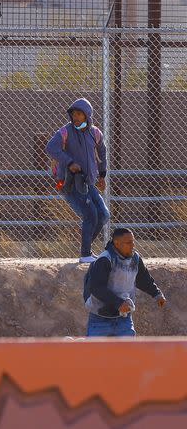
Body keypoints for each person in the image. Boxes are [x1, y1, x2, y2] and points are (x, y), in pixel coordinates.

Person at [45, 98, 109, 263]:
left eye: (79, 114)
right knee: (90, 214)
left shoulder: (95, 133)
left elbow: (102, 151)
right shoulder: (65, 132)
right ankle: (85, 254)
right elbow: (51, 148)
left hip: (87, 182)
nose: (76, 117)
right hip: (70, 182)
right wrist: (70, 162)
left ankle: (86, 249)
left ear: (87, 115)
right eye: (73, 113)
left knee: (103, 214)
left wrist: (102, 174)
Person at [84, 228, 166, 337]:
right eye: (128, 243)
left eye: (133, 242)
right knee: (96, 353)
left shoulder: (135, 258)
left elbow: (143, 279)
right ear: (117, 243)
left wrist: (157, 294)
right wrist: (119, 303)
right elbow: (97, 288)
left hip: (124, 318)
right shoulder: (105, 259)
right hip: (100, 318)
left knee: (128, 353)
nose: (132, 245)